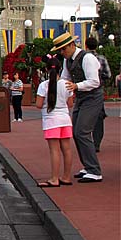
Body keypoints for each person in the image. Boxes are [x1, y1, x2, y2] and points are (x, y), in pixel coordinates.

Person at [52, 31, 102, 183]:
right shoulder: (68, 61)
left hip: (92, 97)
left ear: (72, 45)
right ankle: (88, 167)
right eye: (60, 50)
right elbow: (65, 78)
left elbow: (94, 81)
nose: (62, 52)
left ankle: (94, 170)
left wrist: (76, 86)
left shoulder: (87, 58)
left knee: (82, 131)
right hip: (81, 97)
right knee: (76, 132)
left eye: (63, 49)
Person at [35, 55, 74, 187]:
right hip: (65, 119)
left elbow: (39, 104)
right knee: (67, 149)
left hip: (51, 120)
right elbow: (70, 104)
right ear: (60, 69)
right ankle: (67, 177)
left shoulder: (43, 86)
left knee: (54, 150)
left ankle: (54, 178)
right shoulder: (67, 84)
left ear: (46, 70)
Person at [84, 37, 108, 152]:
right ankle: (97, 143)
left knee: (85, 117)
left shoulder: (83, 58)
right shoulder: (102, 58)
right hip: (98, 90)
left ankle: (86, 142)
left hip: (85, 90)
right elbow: (108, 75)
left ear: (86, 46)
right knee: (99, 117)